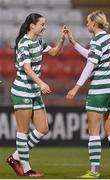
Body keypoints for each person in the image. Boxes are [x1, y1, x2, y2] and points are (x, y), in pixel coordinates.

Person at [66, 10, 110, 179]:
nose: (86, 24)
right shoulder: (108, 38)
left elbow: (90, 65)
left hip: (100, 88)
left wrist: (76, 87)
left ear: (94, 23)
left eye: (87, 22)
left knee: (93, 131)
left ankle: (95, 171)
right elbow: (93, 56)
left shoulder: (97, 40)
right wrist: (74, 43)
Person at [6, 13, 67, 177]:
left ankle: (15, 157)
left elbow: (54, 53)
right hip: (22, 90)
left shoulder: (38, 41)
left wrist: (62, 40)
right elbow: (26, 67)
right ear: (32, 26)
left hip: (34, 91)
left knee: (43, 129)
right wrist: (41, 83)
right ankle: (26, 170)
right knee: (23, 131)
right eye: (42, 24)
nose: (44, 27)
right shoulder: (24, 43)